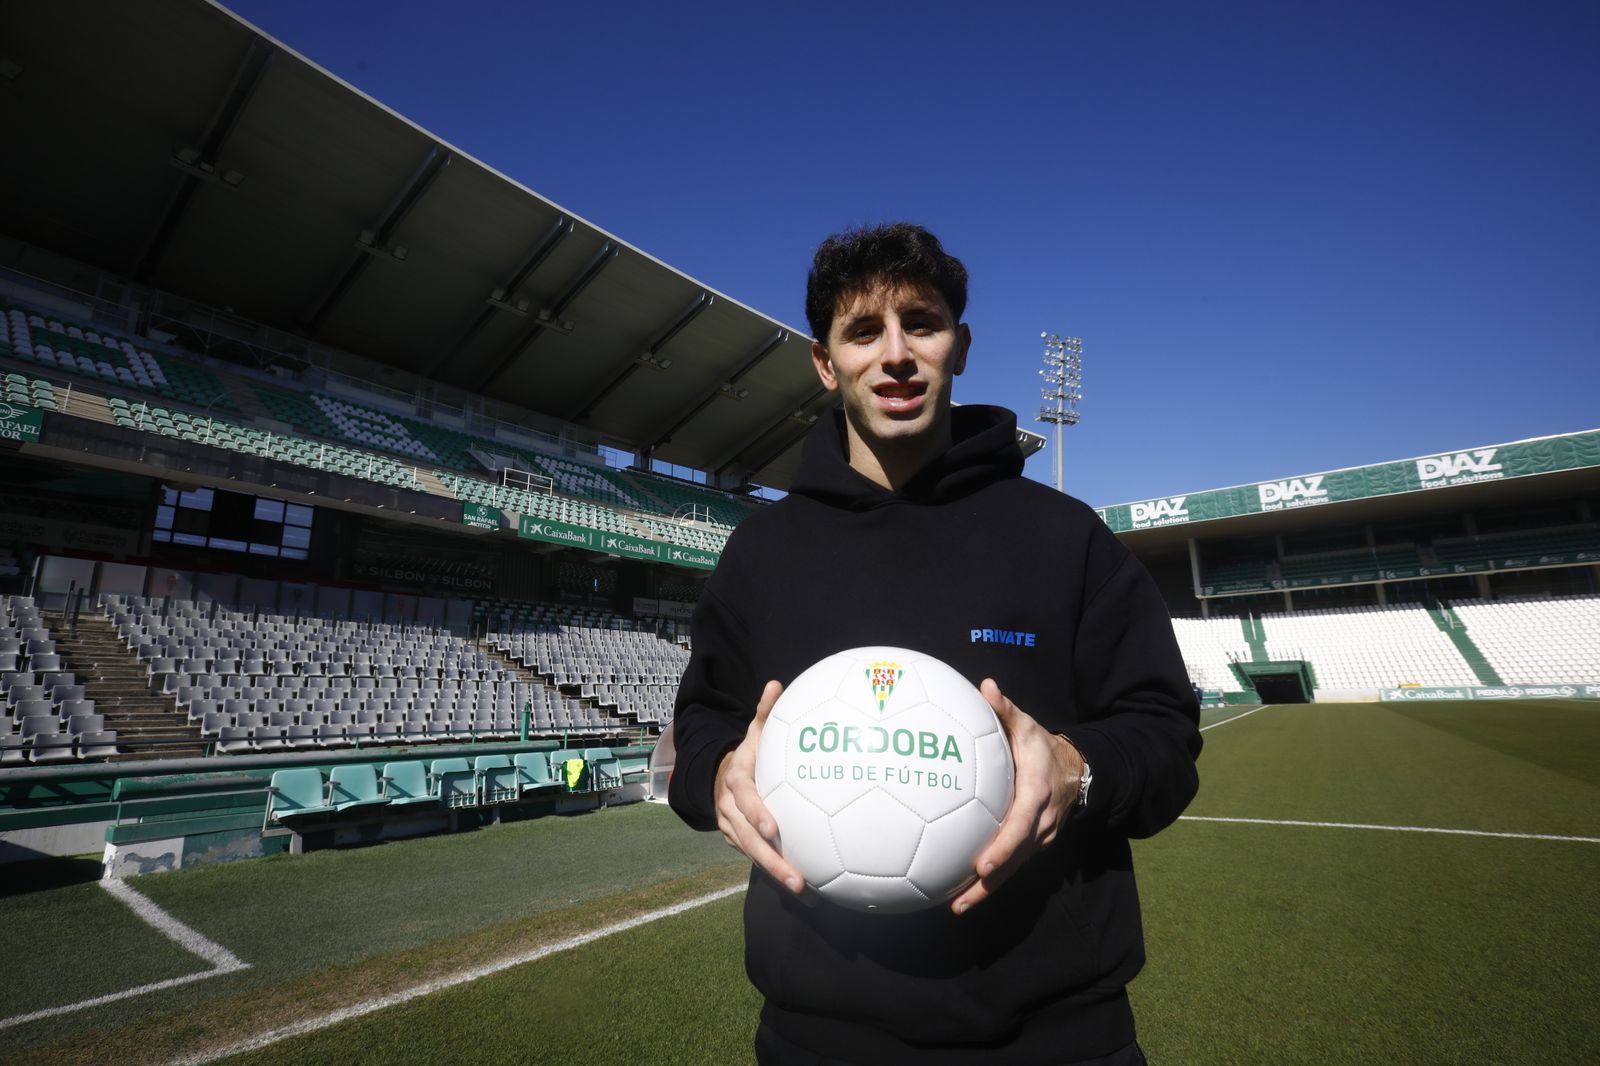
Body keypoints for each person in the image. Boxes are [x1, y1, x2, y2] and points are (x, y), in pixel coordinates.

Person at [668, 223, 1201, 1065]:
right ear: (823, 361)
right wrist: (715, 774)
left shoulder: (1065, 538)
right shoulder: (763, 553)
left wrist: (1080, 767)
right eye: (863, 332)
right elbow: (702, 722)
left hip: (1057, 1037)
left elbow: (1165, 737)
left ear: (960, 345)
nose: (896, 356)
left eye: (921, 323)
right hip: (819, 1037)